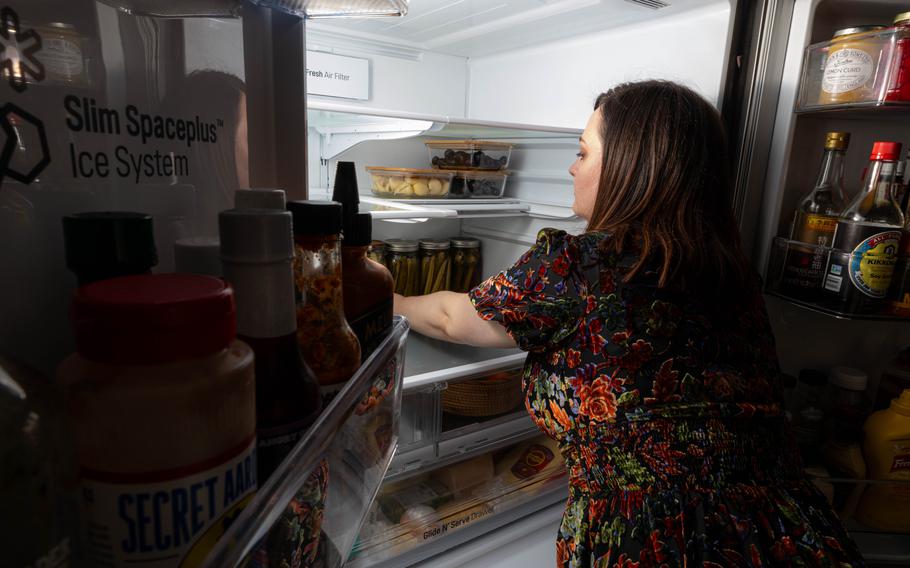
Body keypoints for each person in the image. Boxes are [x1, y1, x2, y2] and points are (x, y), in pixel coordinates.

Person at [394, 80, 864, 567]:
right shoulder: (732, 271)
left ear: (628, 166)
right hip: (789, 526)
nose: (572, 168)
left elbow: (455, 318)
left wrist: (393, 298)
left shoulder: (580, 265)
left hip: (660, 538)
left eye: (582, 152)